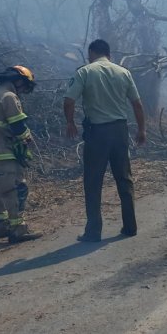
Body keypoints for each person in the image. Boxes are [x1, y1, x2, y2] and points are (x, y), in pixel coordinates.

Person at [64, 39, 146, 242]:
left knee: (93, 182)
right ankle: (130, 227)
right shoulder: (123, 72)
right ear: (108, 54)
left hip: (97, 133)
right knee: (124, 179)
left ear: (92, 53)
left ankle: (93, 232)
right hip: (120, 131)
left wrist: (70, 123)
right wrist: (142, 129)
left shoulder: (85, 72)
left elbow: (68, 100)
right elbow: (137, 104)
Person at [0, 65, 42, 243]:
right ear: (19, 81)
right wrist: (27, 139)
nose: (24, 92)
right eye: (25, 88)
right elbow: (18, 127)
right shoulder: (9, 97)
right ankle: (17, 228)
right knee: (16, 189)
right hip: (2, 152)